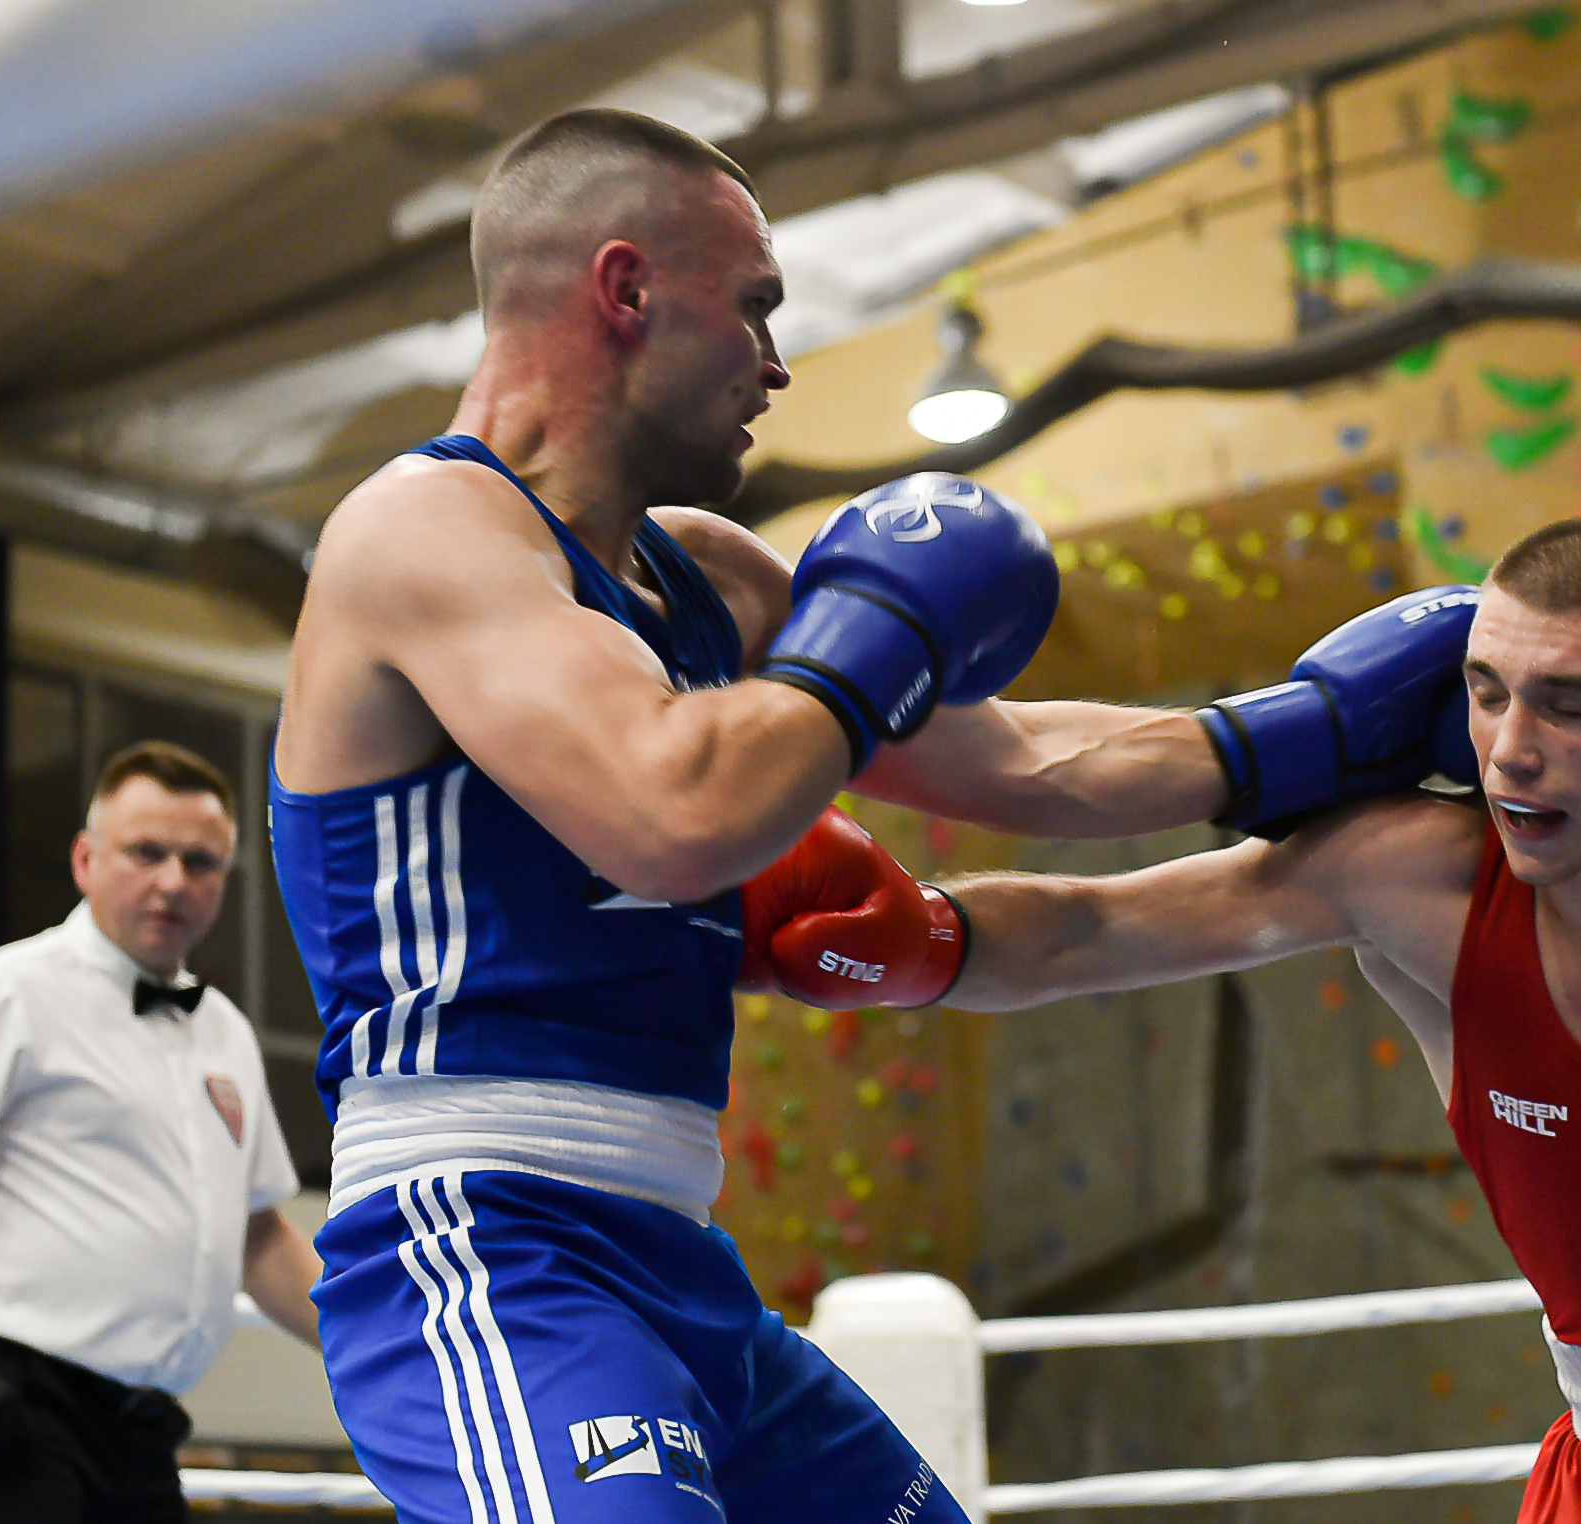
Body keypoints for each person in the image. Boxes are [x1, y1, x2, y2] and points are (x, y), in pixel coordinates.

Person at [265, 105, 1389, 1524]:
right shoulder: (422, 529)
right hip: (486, 1243)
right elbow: (672, 812)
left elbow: (1022, 766)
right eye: (754, 306)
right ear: (626, 289)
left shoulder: (711, 580)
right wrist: (874, 641)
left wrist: (1314, 734)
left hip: (680, 1265)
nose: (779, 362)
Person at [745, 517, 1581, 1524]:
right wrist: (917, 940)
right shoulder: (1414, 879)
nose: (1511, 748)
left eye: (1569, 705)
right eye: (1485, 692)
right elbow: (1094, 929)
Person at [0, 741, 323, 1524]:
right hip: (7, 1403)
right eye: (147, 852)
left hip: (142, 1429)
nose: (173, 881)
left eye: (200, 861)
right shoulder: (3, 992)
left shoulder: (222, 1029)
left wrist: (381, 1346)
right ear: (86, 859)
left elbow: (259, 1237)